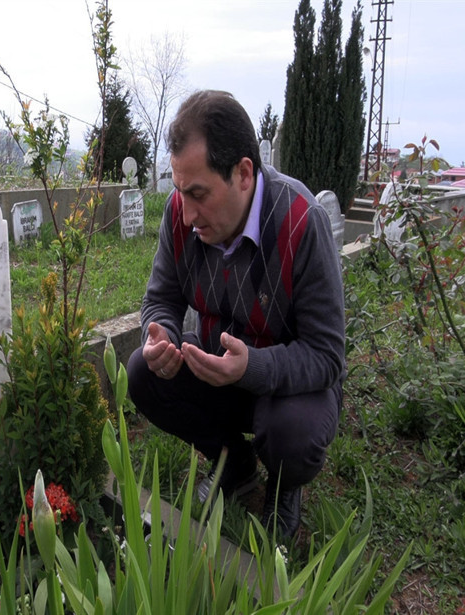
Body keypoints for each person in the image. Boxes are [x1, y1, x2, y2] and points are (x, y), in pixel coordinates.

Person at [127, 90, 345, 539]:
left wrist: (255, 367)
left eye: (199, 194)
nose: (186, 214)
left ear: (244, 173)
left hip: (287, 389)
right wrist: (163, 335)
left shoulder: (301, 223)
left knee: (291, 432)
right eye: (180, 192)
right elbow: (161, 298)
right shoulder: (180, 215)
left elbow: (326, 357)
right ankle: (235, 462)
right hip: (217, 369)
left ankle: (285, 486)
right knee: (142, 374)